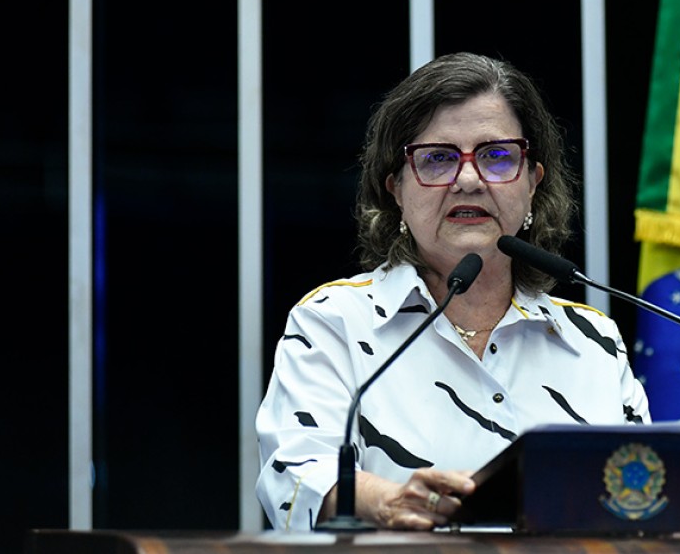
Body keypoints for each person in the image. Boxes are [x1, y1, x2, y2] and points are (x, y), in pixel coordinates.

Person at [255, 52, 651, 531]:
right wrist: (387, 500)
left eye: (497, 156)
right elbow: (295, 475)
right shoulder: (335, 321)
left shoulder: (592, 342)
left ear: (532, 183)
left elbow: (644, 500)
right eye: (438, 158)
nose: (467, 180)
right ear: (396, 189)